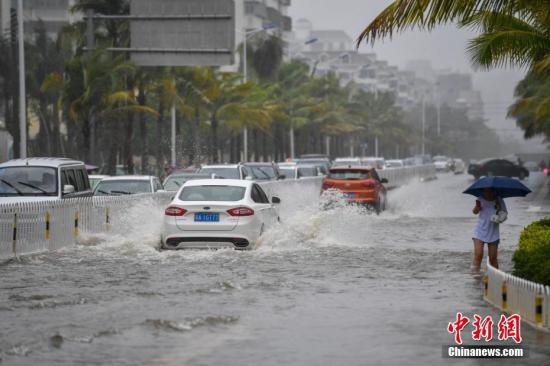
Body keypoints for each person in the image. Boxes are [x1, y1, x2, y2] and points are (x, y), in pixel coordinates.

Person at [471, 188, 507, 272]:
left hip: (493, 232)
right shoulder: (480, 199)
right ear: (483, 191)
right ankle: (475, 279)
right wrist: (477, 207)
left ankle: (496, 277)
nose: (488, 193)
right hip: (479, 231)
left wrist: (499, 218)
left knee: (493, 258)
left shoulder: (499, 200)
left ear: (494, 191)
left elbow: (504, 214)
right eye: (485, 191)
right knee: (478, 254)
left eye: (490, 191)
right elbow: (474, 212)